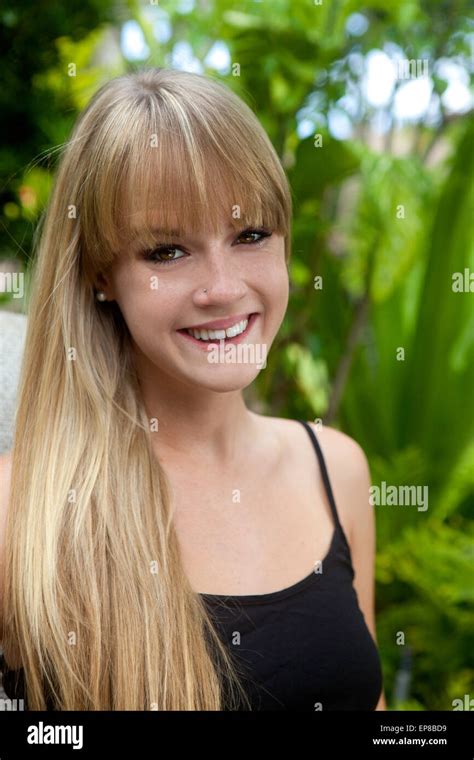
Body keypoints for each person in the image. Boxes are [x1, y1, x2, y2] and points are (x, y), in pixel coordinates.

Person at [0, 67, 385, 711]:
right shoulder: (19, 508)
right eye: (167, 252)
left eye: (251, 236)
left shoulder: (337, 468)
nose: (223, 288)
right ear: (102, 274)